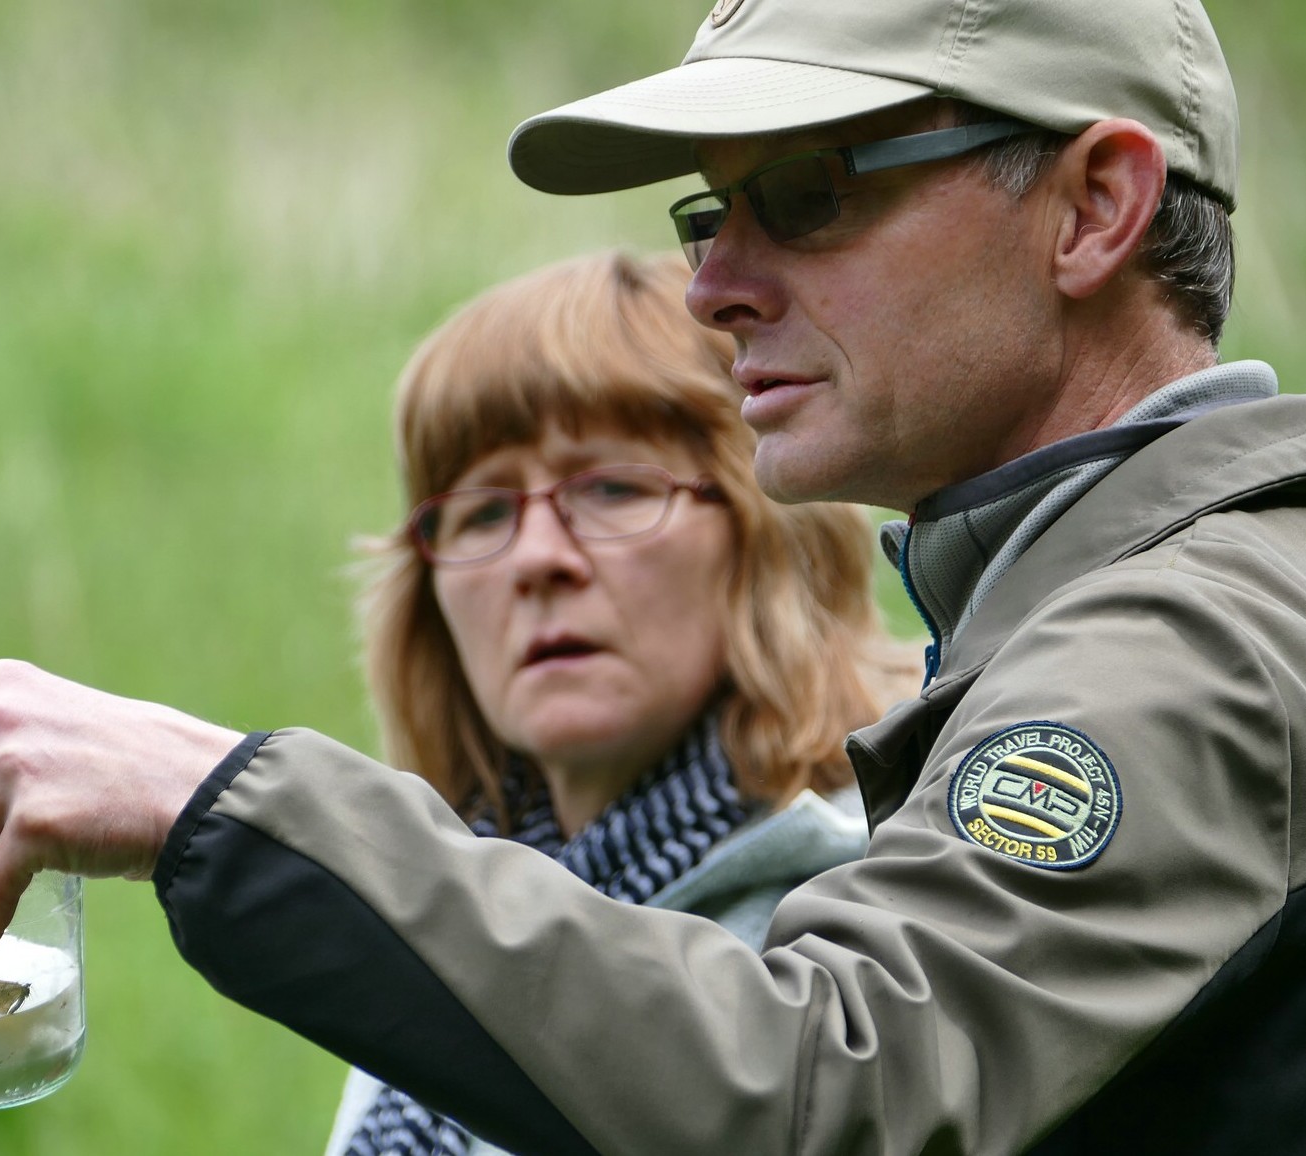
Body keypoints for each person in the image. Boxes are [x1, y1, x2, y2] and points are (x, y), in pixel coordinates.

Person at [0, 0, 1306, 1152]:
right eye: (708, 214)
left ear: (1093, 207)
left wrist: (216, 802)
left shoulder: (1169, 644)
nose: (716, 286)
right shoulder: (1127, 598)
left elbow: (827, 1091)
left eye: (807, 194)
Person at [325, 249, 918, 1155]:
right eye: (483, 512)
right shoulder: (434, 910)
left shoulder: (879, 903)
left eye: (611, 489)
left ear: (766, 530)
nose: (536, 558)